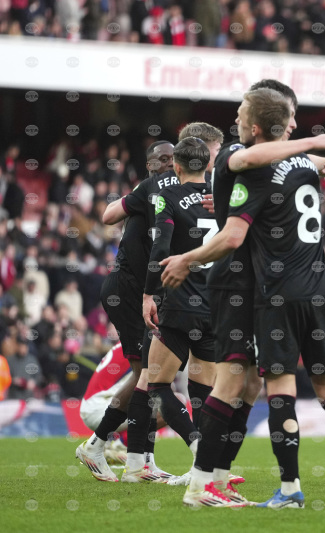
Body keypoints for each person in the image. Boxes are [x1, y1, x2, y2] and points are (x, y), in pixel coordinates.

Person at [166, 87, 325, 508]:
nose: (235, 118)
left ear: (256, 124)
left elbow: (238, 226)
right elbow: (268, 164)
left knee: (251, 384)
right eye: (291, 118)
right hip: (265, 286)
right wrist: (320, 150)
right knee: (239, 380)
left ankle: (225, 480)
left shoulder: (266, 162)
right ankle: (206, 483)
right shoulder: (256, 157)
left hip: (267, 288)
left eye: (241, 113)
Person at [75, 140, 174, 483]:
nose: (169, 164)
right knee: (147, 374)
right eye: (162, 159)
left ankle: (139, 461)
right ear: (150, 165)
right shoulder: (151, 187)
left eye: (173, 159)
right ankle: (98, 446)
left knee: (151, 376)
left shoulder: (172, 194)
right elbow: (107, 216)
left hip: (144, 291)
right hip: (129, 290)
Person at [124, 137, 218, 483]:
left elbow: (160, 247)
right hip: (215, 307)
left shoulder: (168, 196)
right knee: (203, 392)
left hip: (179, 304)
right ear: (206, 164)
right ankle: (203, 470)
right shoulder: (221, 198)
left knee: (157, 384)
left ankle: (197, 447)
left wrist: (149, 294)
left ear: (176, 166)